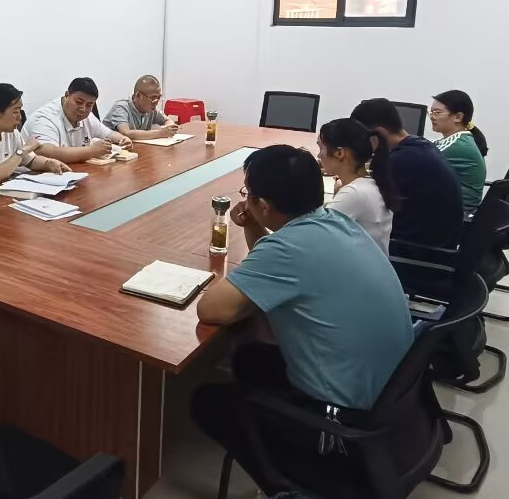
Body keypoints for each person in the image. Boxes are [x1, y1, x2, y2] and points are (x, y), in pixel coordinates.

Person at [192, 145, 413, 495]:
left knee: (207, 401)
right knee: (249, 358)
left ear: (264, 205)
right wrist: (255, 226)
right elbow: (275, 267)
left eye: (248, 194)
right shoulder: (337, 222)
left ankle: (285, 487)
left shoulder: (288, 249)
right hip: (393, 400)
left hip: (344, 421)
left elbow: (212, 310)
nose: (246, 200)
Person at [350, 98, 464, 248]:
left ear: (379, 133)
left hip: (417, 250)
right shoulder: (419, 145)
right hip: (437, 242)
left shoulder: (401, 160)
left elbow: (366, 203)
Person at [317, 118, 398, 254]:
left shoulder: (353, 193)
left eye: (321, 148)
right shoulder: (371, 184)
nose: (319, 155)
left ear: (340, 153)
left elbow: (314, 238)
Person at [22, 77, 132, 163]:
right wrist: (91, 151)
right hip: (34, 176)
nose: (83, 109)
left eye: (89, 105)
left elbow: (109, 134)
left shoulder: (87, 117)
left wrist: (123, 139)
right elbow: (46, 152)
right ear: (67, 95)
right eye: (79, 102)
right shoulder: (44, 118)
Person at [431, 90, 488, 212]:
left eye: (437, 112)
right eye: (431, 112)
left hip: (456, 216)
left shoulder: (459, 145)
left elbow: (420, 161)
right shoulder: (456, 140)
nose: (432, 116)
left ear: (458, 117)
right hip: (450, 212)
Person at [102, 75, 179, 141]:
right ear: (138, 95)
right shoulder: (121, 107)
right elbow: (126, 133)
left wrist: (169, 128)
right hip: (111, 149)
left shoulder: (150, 109)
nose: (156, 102)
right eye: (153, 98)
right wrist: (160, 133)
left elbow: (167, 120)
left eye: (159, 98)